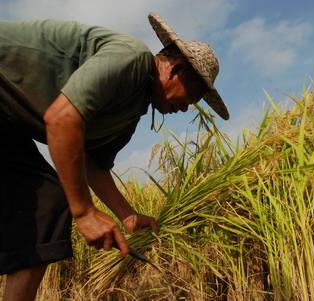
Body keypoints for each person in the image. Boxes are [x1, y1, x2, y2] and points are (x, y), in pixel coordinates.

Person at [0, 12, 229, 301]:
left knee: (47, 203)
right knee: (56, 201)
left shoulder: (132, 112)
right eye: (192, 98)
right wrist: (84, 212)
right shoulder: (131, 58)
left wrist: (128, 216)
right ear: (176, 70)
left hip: (7, 123)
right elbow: (62, 120)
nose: (185, 109)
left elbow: (92, 162)